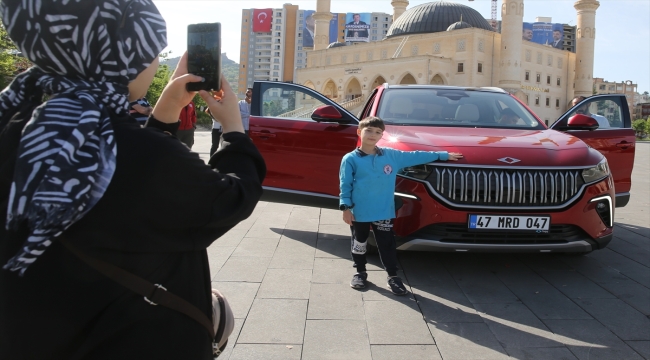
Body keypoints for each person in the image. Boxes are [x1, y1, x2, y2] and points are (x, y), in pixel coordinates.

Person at [0, 1, 265, 359]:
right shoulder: (126, 150)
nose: (157, 63)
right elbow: (231, 197)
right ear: (121, 56)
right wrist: (234, 129)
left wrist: (167, 110)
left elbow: (135, 183)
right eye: (151, 52)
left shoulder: (16, 126)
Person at [339, 117, 463, 295]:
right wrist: (346, 209)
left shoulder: (391, 156)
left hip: (383, 211)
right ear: (359, 132)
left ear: (382, 135)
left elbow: (416, 156)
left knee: (387, 244)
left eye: (378, 132)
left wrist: (442, 155)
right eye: (369, 130)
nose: (373, 135)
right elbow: (345, 184)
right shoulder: (350, 159)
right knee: (359, 243)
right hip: (359, 212)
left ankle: (393, 276)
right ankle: (360, 272)